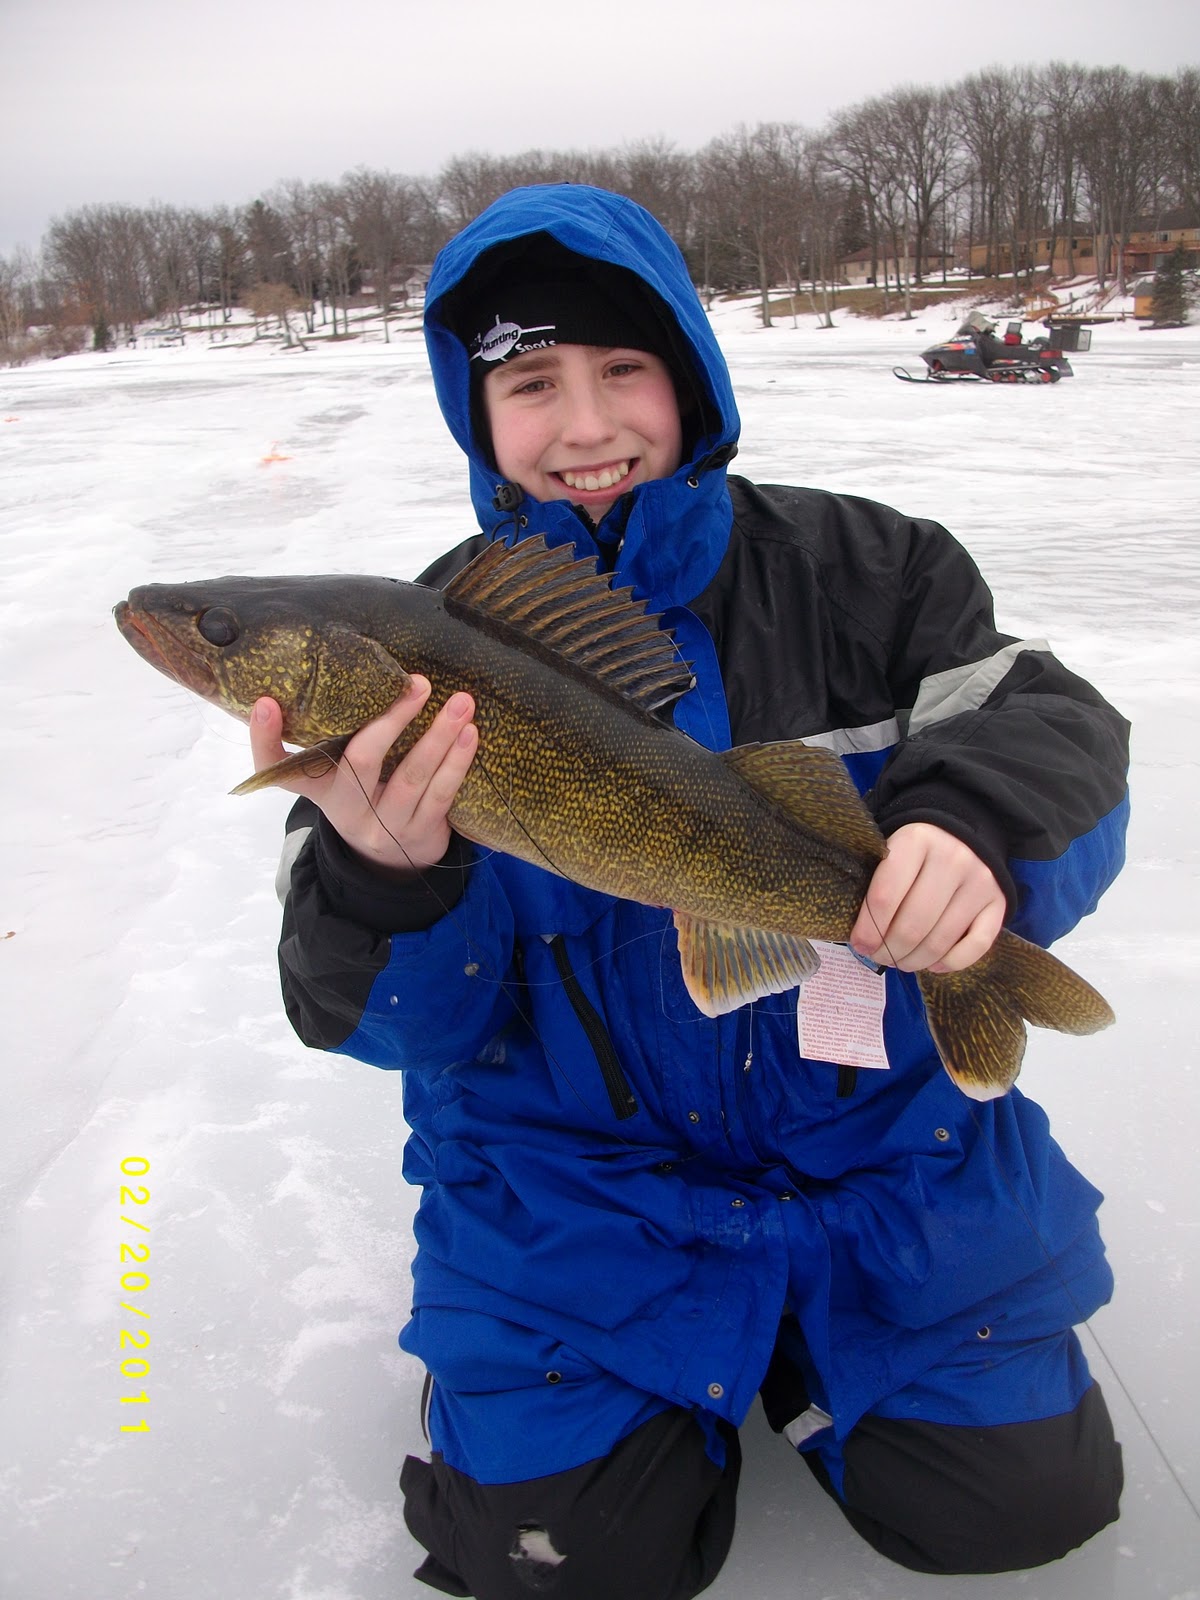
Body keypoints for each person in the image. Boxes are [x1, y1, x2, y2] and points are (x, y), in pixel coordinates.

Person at [250, 184, 1130, 1599]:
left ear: (692, 378)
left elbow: (1055, 725)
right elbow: (388, 1026)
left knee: (1019, 1507)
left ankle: (796, 1345)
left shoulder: (876, 572)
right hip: (578, 1203)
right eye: (531, 384)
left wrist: (976, 828)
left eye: (624, 370)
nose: (586, 426)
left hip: (880, 1171)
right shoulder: (404, 654)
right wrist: (385, 880)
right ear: (478, 416)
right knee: (567, 1562)